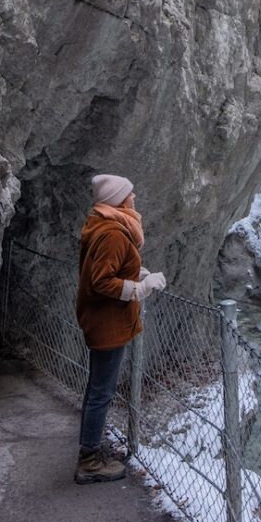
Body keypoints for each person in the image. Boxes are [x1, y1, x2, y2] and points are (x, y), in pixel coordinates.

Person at [74, 173, 167, 484]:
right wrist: (141, 289)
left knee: (96, 388)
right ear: (118, 200)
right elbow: (101, 280)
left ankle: (91, 450)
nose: (135, 197)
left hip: (104, 320)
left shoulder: (103, 225)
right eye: (130, 194)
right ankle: (89, 460)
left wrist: (138, 272)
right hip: (108, 322)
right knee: (102, 391)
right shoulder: (113, 231)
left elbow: (108, 266)